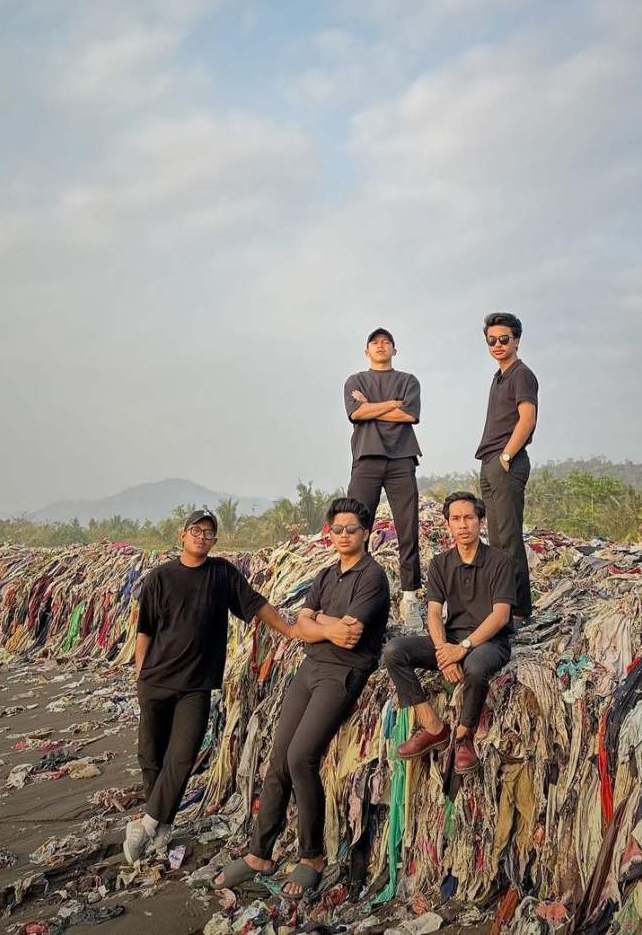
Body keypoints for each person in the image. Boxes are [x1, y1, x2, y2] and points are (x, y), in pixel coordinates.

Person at [213, 497, 390, 897]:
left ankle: (311, 856)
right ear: (330, 532)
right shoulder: (326, 575)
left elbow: (352, 633)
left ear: (365, 534)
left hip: (343, 673)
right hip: (310, 669)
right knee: (278, 757)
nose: (344, 535)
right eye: (337, 529)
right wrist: (324, 626)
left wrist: (317, 623)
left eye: (352, 529)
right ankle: (260, 852)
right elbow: (301, 623)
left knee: (301, 757)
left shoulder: (373, 576)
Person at [123, 508, 296, 864]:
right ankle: (164, 827)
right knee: (151, 756)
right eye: (196, 530)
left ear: (215, 541)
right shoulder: (160, 577)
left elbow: (255, 604)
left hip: (196, 686)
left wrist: (291, 630)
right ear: (182, 535)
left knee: (183, 755)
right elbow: (145, 629)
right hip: (155, 680)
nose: (202, 536)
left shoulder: (222, 574)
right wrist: (141, 673)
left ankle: (147, 824)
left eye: (208, 533)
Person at [382, 492, 519, 774]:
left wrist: (464, 647)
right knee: (394, 650)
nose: (463, 524)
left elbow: (500, 615)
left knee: (476, 665)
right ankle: (432, 726)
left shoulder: (500, 561)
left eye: (469, 517)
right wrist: (444, 651)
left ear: (481, 521)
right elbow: (433, 612)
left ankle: (463, 737)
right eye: (455, 518)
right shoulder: (440, 563)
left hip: (490, 641)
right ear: (448, 525)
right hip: (452, 639)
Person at [345, 327, 423, 629]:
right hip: (366, 458)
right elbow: (356, 414)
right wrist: (394, 403)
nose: (380, 346)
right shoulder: (355, 381)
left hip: (402, 458)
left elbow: (410, 415)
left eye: (386, 342)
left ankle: (409, 598)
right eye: (375, 343)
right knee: (355, 525)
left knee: (408, 528)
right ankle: (355, 594)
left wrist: (372, 406)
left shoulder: (408, 380)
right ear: (367, 351)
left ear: (394, 349)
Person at [474, 312, 538, 620]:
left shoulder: (521, 374)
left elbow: (527, 419)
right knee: (497, 541)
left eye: (504, 339)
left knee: (509, 539)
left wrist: (506, 456)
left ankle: (518, 612)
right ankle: (502, 608)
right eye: (491, 340)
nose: (497, 345)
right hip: (490, 461)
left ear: (516, 341)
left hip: (506, 462)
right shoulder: (499, 376)